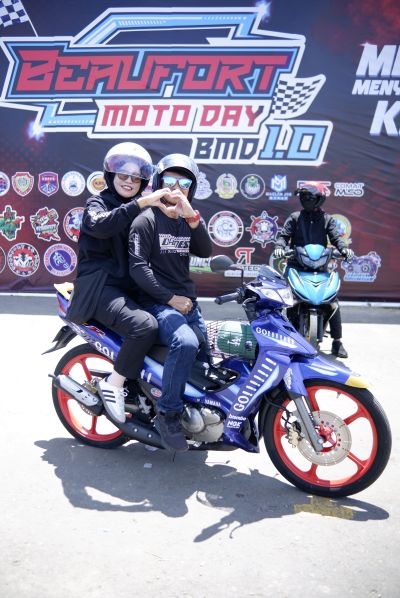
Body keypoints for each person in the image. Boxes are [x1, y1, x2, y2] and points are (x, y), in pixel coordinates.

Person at [70, 142, 173, 424]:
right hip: (100, 288)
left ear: (143, 181)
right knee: (144, 326)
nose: (129, 181)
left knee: (174, 325)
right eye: (123, 175)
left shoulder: (145, 210)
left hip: (132, 289)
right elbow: (101, 225)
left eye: (136, 177)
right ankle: (112, 385)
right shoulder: (98, 203)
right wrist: (140, 203)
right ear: (111, 175)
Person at [128, 153, 213, 451]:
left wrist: (191, 215)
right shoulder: (146, 220)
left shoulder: (188, 221)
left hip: (187, 302)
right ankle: (168, 414)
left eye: (184, 183)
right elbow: (138, 268)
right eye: (170, 180)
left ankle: (196, 414)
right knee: (186, 343)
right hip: (156, 302)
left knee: (204, 355)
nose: (177, 187)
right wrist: (170, 298)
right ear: (158, 182)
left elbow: (205, 250)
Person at [273, 182, 354, 358]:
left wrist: (344, 249)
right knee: (285, 300)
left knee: (332, 302)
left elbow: (336, 238)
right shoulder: (295, 217)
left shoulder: (327, 219)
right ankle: (281, 336)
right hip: (296, 265)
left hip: (320, 267)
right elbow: (283, 236)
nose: (305, 199)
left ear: (319, 199)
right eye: (303, 197)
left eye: (309, 197)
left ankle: (337, 341)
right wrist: (279, 247)